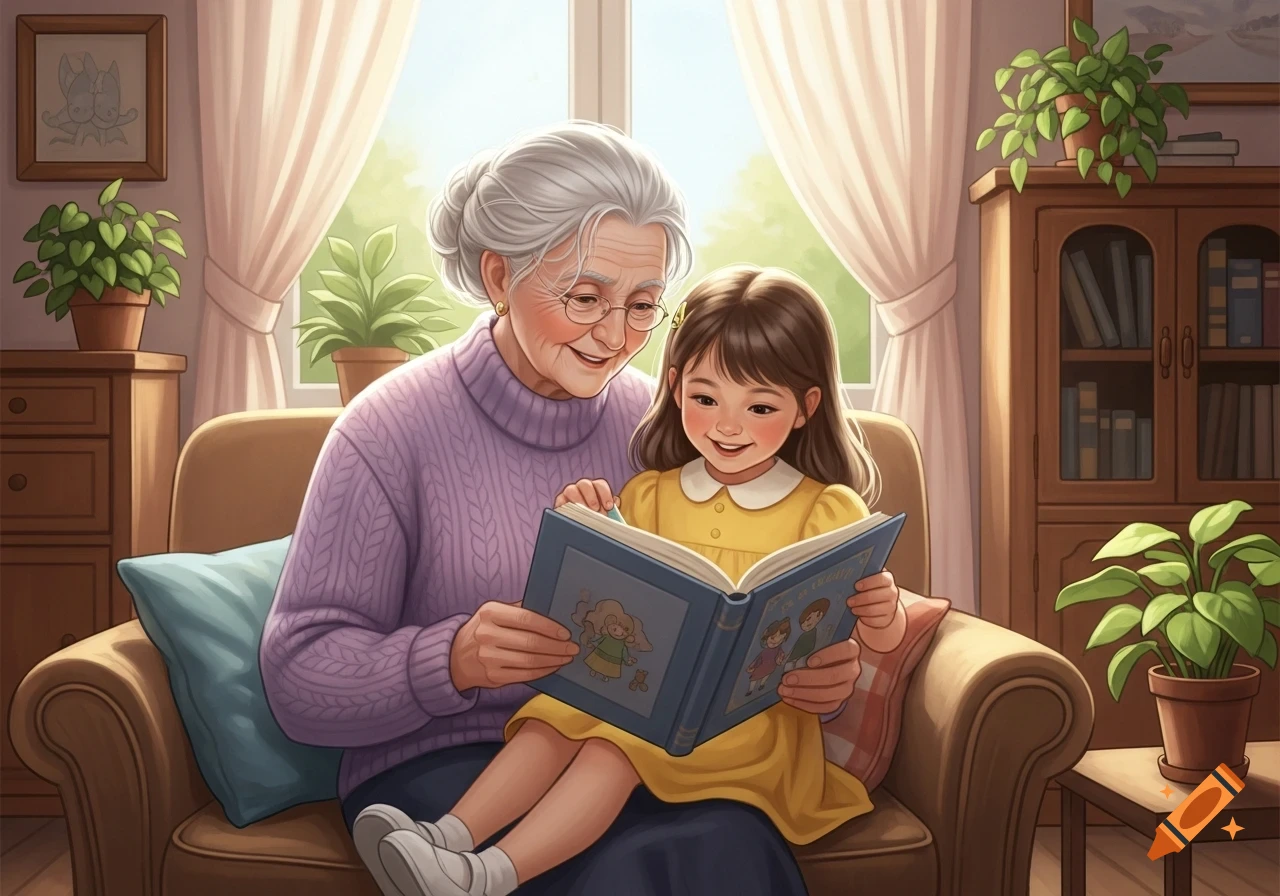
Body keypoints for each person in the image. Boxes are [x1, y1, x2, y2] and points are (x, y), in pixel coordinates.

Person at [260, 122, 870, 896]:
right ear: (497, 276)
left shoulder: (664, 425)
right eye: (585, 298)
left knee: (728, 841)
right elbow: (297, 678)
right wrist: (450, 660)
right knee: (619, 871)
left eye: (644, 305)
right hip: (441, 767)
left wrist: (816, 666)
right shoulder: (388, 429)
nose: (615, 336)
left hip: (643, 754)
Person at [361, 265, 908, 896]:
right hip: (644, 695)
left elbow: (874, 639)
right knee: (554, 715)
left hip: (753, 731)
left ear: (805, 408)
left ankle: (485, 876)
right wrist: (591, 522)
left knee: (611, 749)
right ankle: (445, 838)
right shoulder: (649, 494)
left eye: (759, 407)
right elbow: (619, 587)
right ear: (675, 388)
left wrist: (882, 612)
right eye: (706, 399)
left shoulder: (826, 509)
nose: (728, 427)